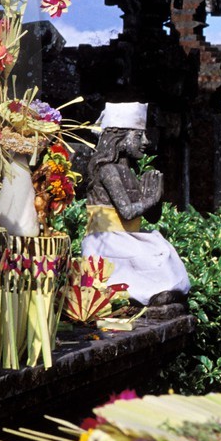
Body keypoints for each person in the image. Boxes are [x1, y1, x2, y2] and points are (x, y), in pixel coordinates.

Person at [79, 103, 190, 305]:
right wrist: (150, 200)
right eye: (138, 136)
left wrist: (156, 198)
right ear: (119, 138)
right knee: (147, 257)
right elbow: (127, 212)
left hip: (128, 237)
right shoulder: (108, 171)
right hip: (106, 241)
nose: (146, 142)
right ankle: (149, 294)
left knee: (163, 252)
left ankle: (161, 292)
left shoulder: (129, 173)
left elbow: (151, 217)